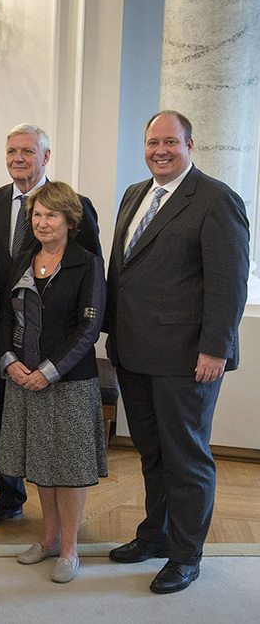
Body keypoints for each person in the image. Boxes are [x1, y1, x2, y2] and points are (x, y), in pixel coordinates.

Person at [105, 110, 249, 594]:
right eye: (152, 142)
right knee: (152, 454)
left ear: (190, 144)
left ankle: (186, 557)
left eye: (170, 142)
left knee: (186, 459)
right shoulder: (134, 193)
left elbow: (229, 283)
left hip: (188, 358)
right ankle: (157, 535)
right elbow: (122, 272)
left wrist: (216, 349)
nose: (159, 151)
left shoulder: (216, 199)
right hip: (133, 352)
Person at [0, 123, 101, 529]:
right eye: (11, 151)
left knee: (58, 440)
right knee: (2, 422)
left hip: (59, 340)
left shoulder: (76, 204)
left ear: (45, 157)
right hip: (6, 330)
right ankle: (8, 495)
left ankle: (62, 529)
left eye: (27, 152)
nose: (18, 159)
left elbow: (89, 275)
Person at [0, 181, 107, 584]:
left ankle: (69, 548)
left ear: (69, 220)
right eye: (37, 215)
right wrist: (10, 363)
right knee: (39, 463)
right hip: (23, 379)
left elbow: (89, 328)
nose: (42, 223)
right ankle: (46, 540)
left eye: (51, 215)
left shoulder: (87, 263)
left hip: (69, 382)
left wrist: (48, 371)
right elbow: (4, 317)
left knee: (69, 468)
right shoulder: (23, 259)